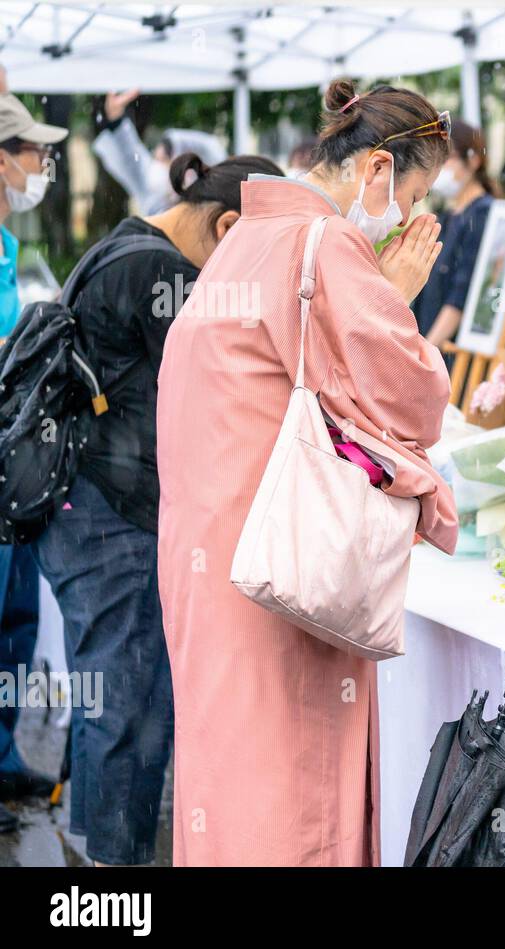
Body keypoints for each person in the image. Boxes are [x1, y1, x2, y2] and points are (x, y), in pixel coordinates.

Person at [155, 78, 457, 866]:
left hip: (210, 554)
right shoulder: (321, 244)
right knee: (291, 792)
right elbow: (410, 401)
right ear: (378, 171)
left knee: (229, 775)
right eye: (413, 192)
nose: (406, 216)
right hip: (278, 566)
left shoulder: (245, 240)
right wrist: (396, 300)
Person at [31, 151, 281, 865]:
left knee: (112, 691)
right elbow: (230, 388)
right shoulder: (160, 273)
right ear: (227, 224)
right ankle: (114, 878)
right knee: (128, 703)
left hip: (81, 507)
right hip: (109, 519)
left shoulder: (125, 238)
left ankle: (92, 845)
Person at [0, 90, 66, 835]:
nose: (38, 166)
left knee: (16, 616)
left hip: (11, 459)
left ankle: (5, 752)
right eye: (28, 153)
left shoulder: (10, 246)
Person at [414, 119, 499, 347]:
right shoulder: (449, 215)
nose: (440, 168)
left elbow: (463, 293)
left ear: (473, 160)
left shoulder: (483, 213)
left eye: (447, 159)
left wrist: (427, 350)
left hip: (453, 349)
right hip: (432, 339)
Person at [94, 88, 227, 215]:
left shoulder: (206, 194)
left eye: (166, 159)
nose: (161, 167)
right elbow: (128, 150)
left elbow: (213, 151)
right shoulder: (151, 185)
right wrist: (116, 120)